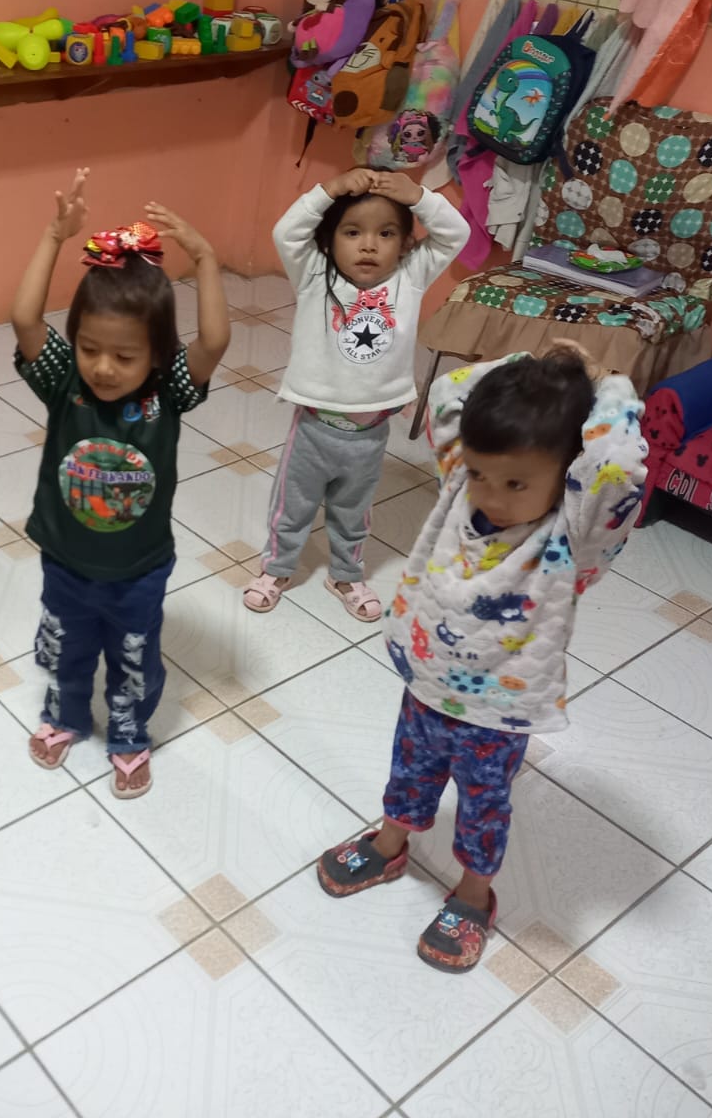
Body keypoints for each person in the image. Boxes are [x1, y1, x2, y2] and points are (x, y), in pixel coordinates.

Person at [317, 344, 648, 972]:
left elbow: (619, 465)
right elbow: (449, 394)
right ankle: (389, 844)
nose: (492, 495)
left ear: (568, 472)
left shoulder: (575, 531)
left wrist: (601, 384)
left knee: (482, 805)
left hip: (499, 714)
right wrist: (536, 364)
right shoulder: (457, 486)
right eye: (481, 474)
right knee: (408, 775)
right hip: (426, 686)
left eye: (517, 483)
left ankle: (474, 896)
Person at [14, 170, 230, 799]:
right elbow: (24, 317)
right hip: (65, 558)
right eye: (89, 348)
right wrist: (54, 237)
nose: (103, 368)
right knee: (66, 648)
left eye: (125, 356)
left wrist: (206, 259)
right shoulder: (65, 383)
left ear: (157, 356)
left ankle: (130, 731)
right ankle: (65, 715)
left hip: (138, 569)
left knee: (134, 656)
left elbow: (214, 340)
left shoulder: (169, 393)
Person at [242, 168, 467, 622]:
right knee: (292, 507)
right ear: (329, 241)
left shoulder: (410, 276)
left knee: (353, 512)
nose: (368, 245)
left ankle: (346, 574)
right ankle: (276, 568)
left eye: (386, 234)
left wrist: (419, 197)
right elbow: (287, 232)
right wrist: (329, 191)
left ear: (405, 244)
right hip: (313, 429)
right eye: (352, 232)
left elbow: (455, 233)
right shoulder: (314, 274)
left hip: (370, 434)